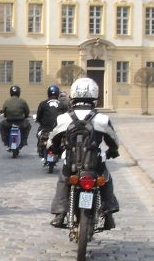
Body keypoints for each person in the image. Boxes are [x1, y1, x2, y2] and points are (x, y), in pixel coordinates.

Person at [47, 77, 120, 230]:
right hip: (94, 163)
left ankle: (60, 214)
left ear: (73, 95)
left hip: (71, 163)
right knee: (106, 179)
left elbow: (52, 140)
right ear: (95, 95)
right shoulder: (102, 119)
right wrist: (112, 152)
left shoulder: (64, 118)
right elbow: (113, 141)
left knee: (63, 180)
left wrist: (55, 150)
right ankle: (108, 215)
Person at [35, 84, 64, 157]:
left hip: (46, 130)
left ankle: (40, 150)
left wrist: (38, 120)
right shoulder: (62, 104)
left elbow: (38, 116)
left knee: (38, 134)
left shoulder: (43, 104)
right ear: (58, 93)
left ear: (48, 93)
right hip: (58, 130)